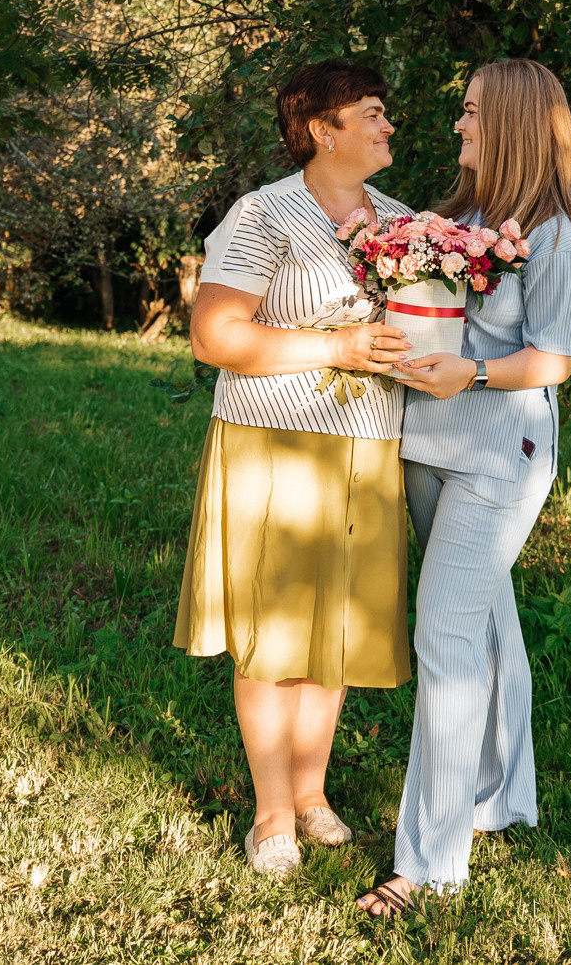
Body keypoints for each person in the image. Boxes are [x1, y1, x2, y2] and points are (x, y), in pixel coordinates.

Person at [357, 59, 571, 917]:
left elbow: (552, 363)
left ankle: (428, 867)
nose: (456, 127)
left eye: (468, 113)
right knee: (485, 623)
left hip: (502, 453)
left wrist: (474, 375)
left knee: (445, 640)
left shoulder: (558, 235)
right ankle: (502, 796)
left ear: (514, 123)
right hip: (426, 444)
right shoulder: (452, 219)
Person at [176, 60, 417, 878]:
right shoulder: (263, 215)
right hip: (273, 442)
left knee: (335, 636)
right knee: (273, 638)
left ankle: (312, 794)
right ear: (324, 129)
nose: (390, 126)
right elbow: (216, 338)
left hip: (368, 445)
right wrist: (338, 347)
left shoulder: (405, 223)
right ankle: (270, 813)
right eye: (374, 113)